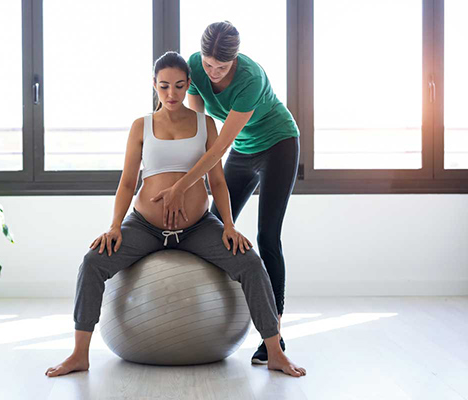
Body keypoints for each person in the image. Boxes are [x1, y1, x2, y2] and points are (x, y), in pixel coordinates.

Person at [45, 52, 305, 378]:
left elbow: (219, 182)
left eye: (179, 86)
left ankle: (275, 352)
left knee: (250, 262)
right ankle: (79, 354)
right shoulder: (141, 126)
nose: (171, 94)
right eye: (164, 86)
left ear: (188, 86)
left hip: (197, 227)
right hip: (144, 226)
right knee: (93, 261)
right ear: (153, 85)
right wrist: (114, 226)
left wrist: (228, 225)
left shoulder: (204, 123)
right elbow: (127, 183)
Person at [149, 22, 300, 365]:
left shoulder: (250, 78)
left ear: (234, 61)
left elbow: (217, 147)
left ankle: (273, 336)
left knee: (267, 236)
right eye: (207, 64)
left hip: (278, 145)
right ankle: (202, 309)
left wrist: (182, 186)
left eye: (222, 67)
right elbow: (196, 130)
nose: (213, 73)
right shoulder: (194, 69)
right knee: (211, 224)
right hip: (243, 153)